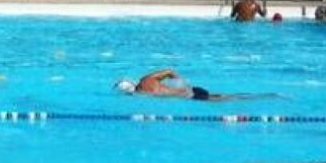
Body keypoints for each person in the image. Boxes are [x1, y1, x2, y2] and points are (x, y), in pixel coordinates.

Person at [115, 69, 270, 102]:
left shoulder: (141, 94)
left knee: (229, 99)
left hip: (192, 97)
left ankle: (262, 97)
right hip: (192, 90)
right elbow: (170, 71)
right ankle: (265, 96)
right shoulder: (146, 79)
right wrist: (181, 82)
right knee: (227, 96)